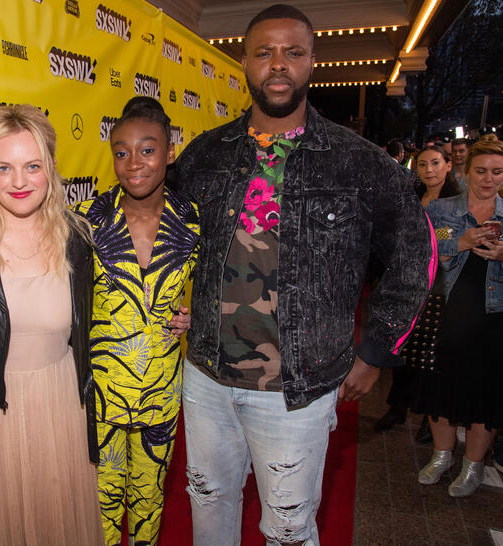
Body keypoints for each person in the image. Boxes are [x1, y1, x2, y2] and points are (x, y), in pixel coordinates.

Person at [174, 5, 436, 545]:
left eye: (293, 53)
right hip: (206, 381)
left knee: (289, 530)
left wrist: (376, 351)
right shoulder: (205, 154)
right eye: (264, 52)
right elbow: (172, 236)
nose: (278, 65)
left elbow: (417, 254)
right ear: (244, 62)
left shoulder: (358, 162)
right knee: (208, 508)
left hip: (298, 389)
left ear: (311, 62)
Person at [0, 104, 103, 545]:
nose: (18, 182)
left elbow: (98, 318)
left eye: (32, 166)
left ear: (51, 168)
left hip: (62, 405)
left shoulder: (75, 236)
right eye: (4, 167)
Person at [75, 97, 199, 545]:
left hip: (162, 390)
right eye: (121, 151)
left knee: (149, 499)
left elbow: (208, 292)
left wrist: (191, 316)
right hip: (101, 390)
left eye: (147, 150)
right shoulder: (89, 219)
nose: (133, 163)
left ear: (170, 151)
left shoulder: (193, 220)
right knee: (102, 501)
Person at [411, 138, 503, 497]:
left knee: (485, 391)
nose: (488, 178)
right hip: (445, 310)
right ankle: (442, 455)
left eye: (497, 172)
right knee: (441, 387)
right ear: (466, 171)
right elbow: (430, 244)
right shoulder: (445, 210)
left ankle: (473, 465)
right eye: (481, 170)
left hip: (493, 317)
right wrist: (461, 241)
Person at [375, 145, 461, 435]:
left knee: (431, 356)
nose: (429, 170)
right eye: (422, 165)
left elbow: (442, 244)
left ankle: (429, 416)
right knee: (402, 349)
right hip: (408, 285)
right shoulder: (413, 198)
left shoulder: (457, 204)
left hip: (440, 287)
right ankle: (397, 407)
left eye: (435, 163)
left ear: (448, 165)